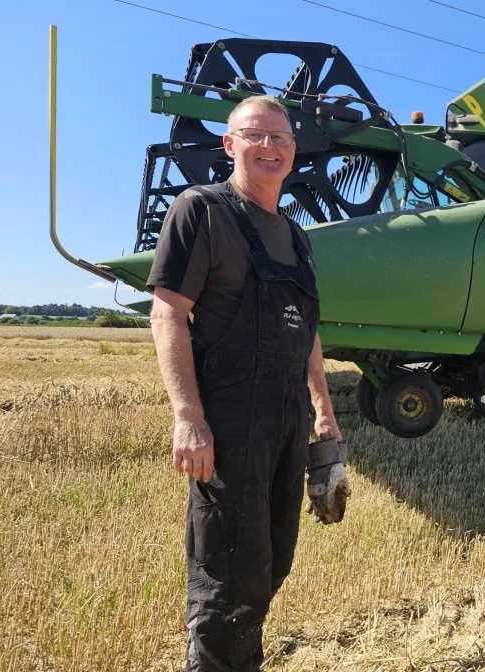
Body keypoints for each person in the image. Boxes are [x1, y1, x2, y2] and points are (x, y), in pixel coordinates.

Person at [147, 94, 351, 671]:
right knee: (228, 574)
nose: (270, 147)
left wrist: (323, 412)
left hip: (287, 418)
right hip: (231, 421)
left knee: (271, 561)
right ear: (229, 144)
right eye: (255, 135)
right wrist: (188, 417)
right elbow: (168, 313)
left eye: (281, 138)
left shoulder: (296, 236)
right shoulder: (203, 211)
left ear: (294, 151)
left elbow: (306, 327)